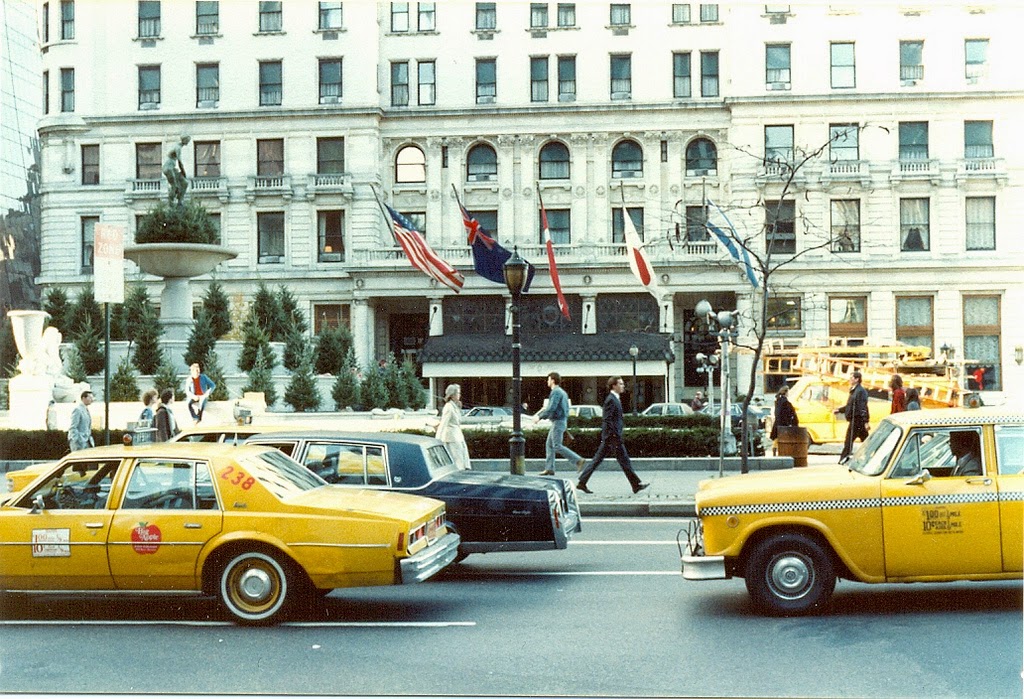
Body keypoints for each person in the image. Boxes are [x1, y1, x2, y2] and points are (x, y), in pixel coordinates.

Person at [577, 376, 649, 495]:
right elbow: (607, 419)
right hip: (613, 437)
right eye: (620, 384)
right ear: (614, 386)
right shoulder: (611, 399)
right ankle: (636, 485)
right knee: (623, 461)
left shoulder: (614, 398)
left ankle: (582, 482)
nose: (623, 386)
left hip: (611, 437)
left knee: (599, 460)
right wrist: (614, 435)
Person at [534, 372, 585, 476]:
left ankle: (578, 460)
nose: (547, 382)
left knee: (557, 446)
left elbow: (552, 408)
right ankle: (549, 469)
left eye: (548, 379)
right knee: (549, 445)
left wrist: (539, 417)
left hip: (558, 422)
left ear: (552, 380)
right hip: (559, 421)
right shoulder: (562, 392)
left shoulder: (556, 392)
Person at [436, 384, 470, 470]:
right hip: (452, 438)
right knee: (457, 460)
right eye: (458, 393)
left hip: (458, 437)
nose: (459, 395)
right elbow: (443, 423)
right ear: (452, 395)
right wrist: (438, 439)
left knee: (461, 459)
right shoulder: (448, 407)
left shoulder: (455, 406)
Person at [838, 371, 869, 464]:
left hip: (857, 420)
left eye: (852, 378)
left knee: (849, 440)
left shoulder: (860, 391)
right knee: (865, 441)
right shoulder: (854, 390)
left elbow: (862, 406)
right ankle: (870, 456)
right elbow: (850, 405)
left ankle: (843, 459)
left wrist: (866, 421)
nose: (850, 380)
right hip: (856, 420)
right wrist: (840, 410)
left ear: (857, 379)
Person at [162, 135, 191, 207]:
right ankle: (171, 202)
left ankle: (180, 201)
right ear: (184, 140)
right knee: (174, 186)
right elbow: (180, 162)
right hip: (168, 168)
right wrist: (183, 172)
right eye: (187, 140)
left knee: (185, 183)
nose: (188, 142)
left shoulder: (179, 147)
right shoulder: (178, 148)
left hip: (173, 168)